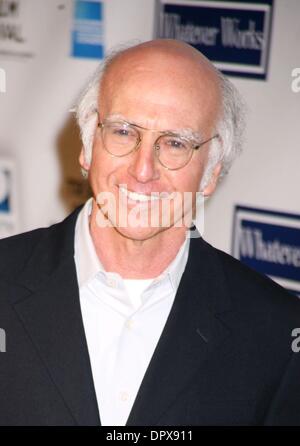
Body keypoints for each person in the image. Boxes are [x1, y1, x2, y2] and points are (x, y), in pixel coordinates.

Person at [0, 39, 300, 426]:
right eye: (124, 132)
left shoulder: (277, 333)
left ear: (211, 169)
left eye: (175, 143)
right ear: (89, 145)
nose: (143, 171)